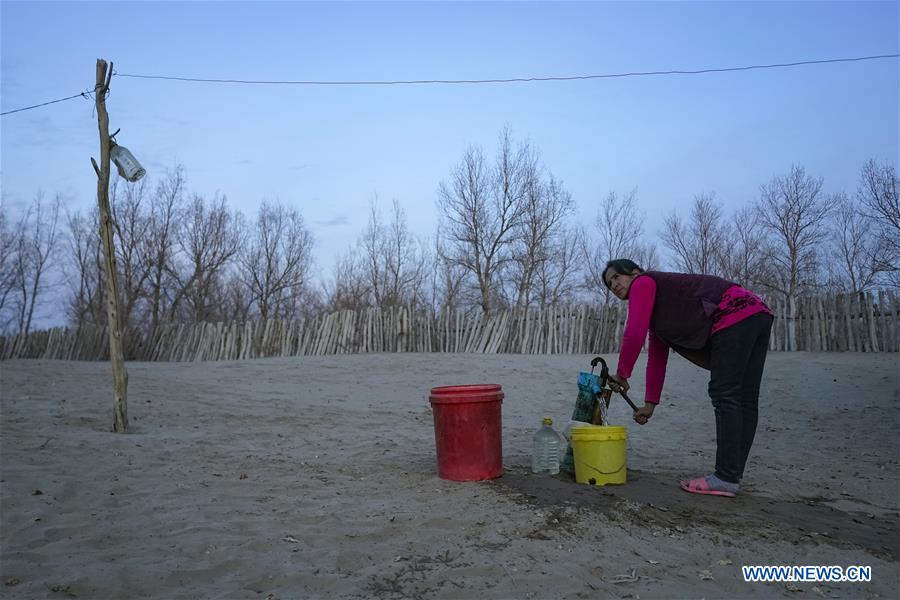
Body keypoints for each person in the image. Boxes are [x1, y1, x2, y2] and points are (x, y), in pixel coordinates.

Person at [603, 259, 774, 497]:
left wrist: (622, 374)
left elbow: (634, 332)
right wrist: (650, 405)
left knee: (725, 393)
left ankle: (725, 477)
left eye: (616, 277)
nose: (614, 285)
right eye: (609, 284)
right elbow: (657, 358)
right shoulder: (660, 317)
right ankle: (731, 476)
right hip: (758, 313)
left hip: (733, 313)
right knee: (744, 397)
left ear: (634, 272)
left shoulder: (643, 282)